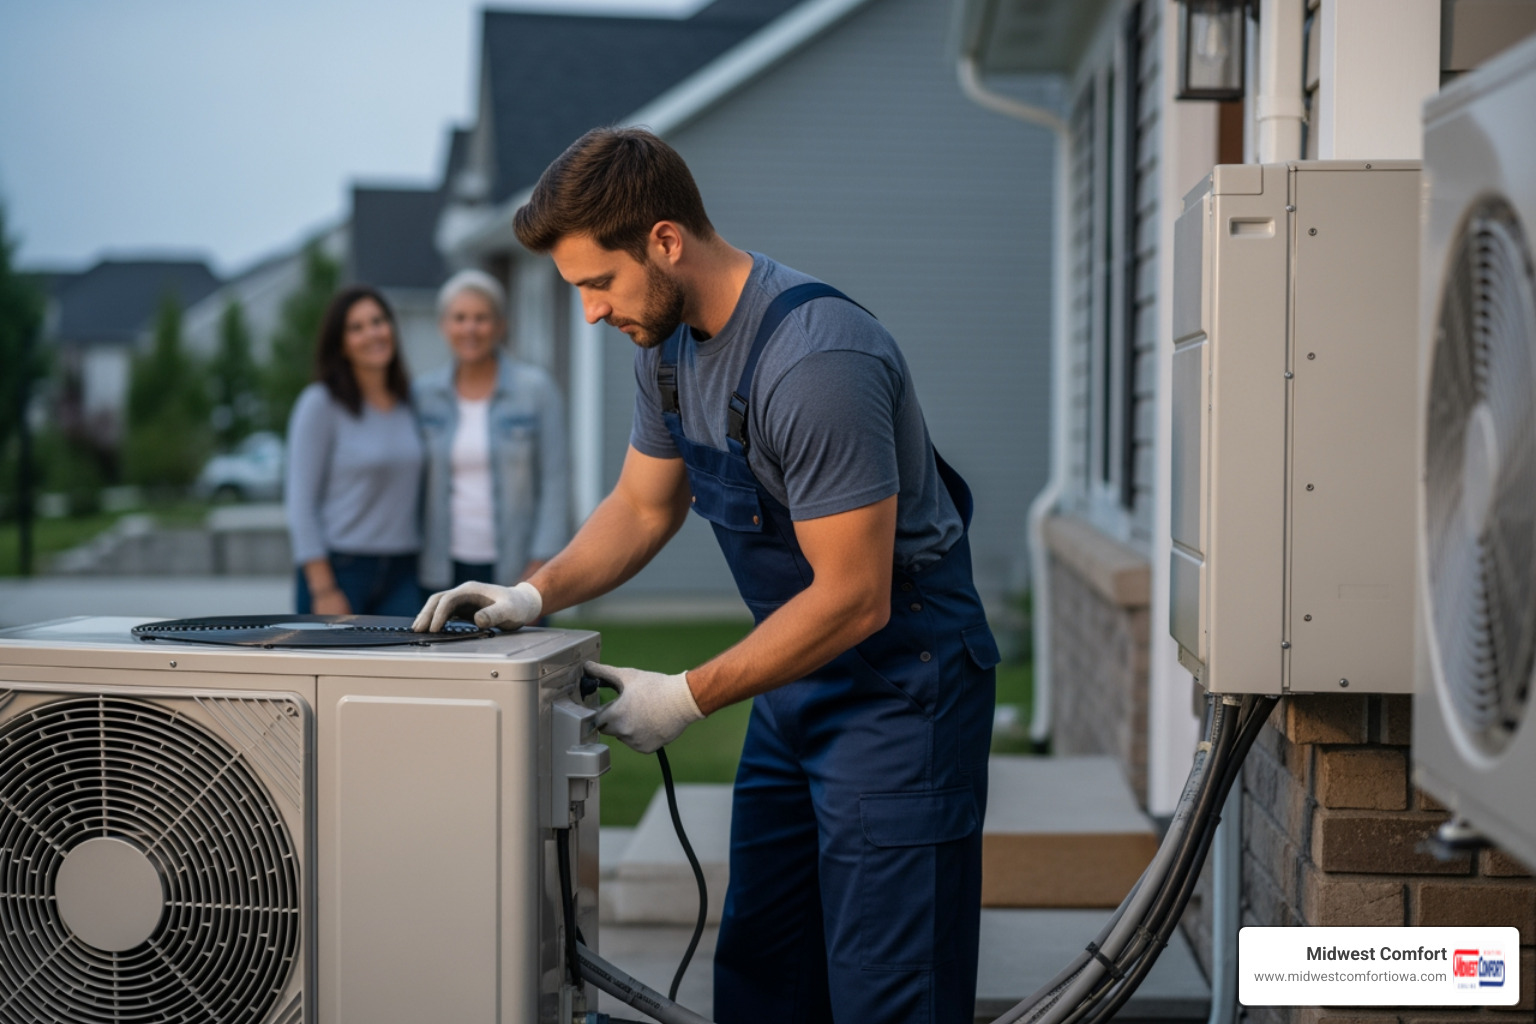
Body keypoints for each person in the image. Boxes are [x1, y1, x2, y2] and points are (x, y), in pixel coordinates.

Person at [415, 127, 998, 1024]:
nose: (591, 313)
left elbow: (854, 595)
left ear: (664, 241)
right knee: (765, 967)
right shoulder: (668, 348)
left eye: (598, 283)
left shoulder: (817, 362)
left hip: (902, 688)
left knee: (888, 986)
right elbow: (643, 506)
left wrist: (684, 697)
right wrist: (533, 593)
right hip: (798, 681)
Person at [413, 269, 568, 596]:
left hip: (517, 567)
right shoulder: (423, 395)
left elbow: (555, 482)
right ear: (443, 326)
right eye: (460, 318)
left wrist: (540, 566)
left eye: (481, 318)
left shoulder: (536, 390)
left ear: (500, 325)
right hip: (441, 568)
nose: (470, 328)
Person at [286, 285, 423, 617]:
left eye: (378, 321)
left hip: (404, 571)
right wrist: (324, 588)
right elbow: (300, 503)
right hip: (341, 570)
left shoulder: (411, 402)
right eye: (356, 328)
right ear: (341, 344)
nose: (372, 333)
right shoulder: (320, 404)